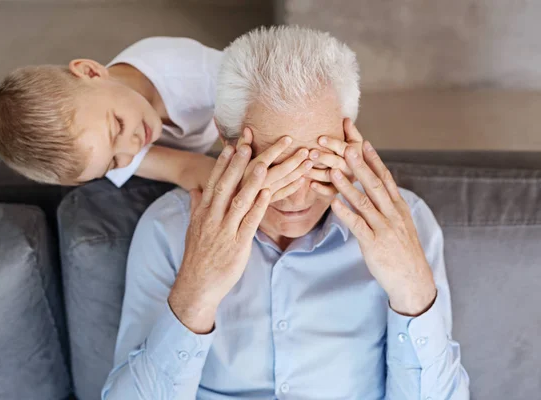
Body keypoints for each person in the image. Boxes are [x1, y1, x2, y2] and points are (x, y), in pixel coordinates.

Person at [102, 26, 470, 399]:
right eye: (273, 166)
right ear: (226, 140)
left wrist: (413, 291)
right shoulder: (168, 230)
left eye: (316, 163)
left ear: (348, 140)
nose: (296, 198)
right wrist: (196, 292)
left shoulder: (406, 223)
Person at [0, 37, 221, 189]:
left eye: (118, 125)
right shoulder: (100, 150)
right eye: (114, 163)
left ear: (92, 72)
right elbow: (187, 168)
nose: (133, 149)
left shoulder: (190, 71)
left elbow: (256, 86)